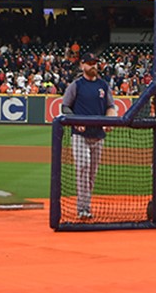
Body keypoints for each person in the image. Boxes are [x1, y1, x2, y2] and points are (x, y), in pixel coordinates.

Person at [60, 52, 116, 220]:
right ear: (82, 65)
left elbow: (110, 106)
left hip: (98, 135)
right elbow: (65, 107)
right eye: (90, 63)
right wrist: (75, 120)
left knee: (92, 173)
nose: (93, 65)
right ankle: (82, 208)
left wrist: (110, 120)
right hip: (80, 135)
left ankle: (86, 206)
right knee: (83, 167)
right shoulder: (76, 85)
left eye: (95, 63)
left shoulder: (104, 86)